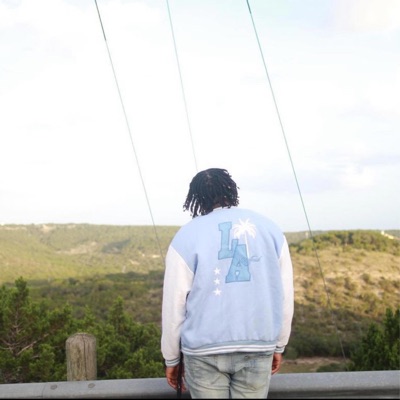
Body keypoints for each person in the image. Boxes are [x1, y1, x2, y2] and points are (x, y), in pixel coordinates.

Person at [161, 168, 294, 399]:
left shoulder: (186, 236)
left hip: (202, 351)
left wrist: (171, 358)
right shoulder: (270, 229)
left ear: (196, 198)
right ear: (232, 191)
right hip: (257, 345)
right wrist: (279, 344)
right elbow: (284, 295)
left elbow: (174, 304)